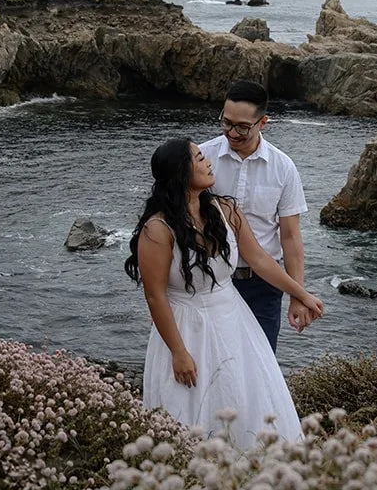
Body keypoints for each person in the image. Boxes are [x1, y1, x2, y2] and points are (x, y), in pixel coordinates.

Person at [125, 138, 324, 448]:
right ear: (181, 172)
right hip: (186, 326)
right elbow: (155, 296)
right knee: (190, 406)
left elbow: (259, 259)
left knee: (245, 394)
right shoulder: (158, 229)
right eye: (199, 158)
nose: (208, 162)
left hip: (233, 318)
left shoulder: (225, 209)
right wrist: (178, 352)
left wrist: (301, 293)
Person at [198, 80, 308, 353]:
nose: (232, 133)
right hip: (209, 278)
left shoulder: (283, 168)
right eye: (226, 123)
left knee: (261, 366)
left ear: (263, 123)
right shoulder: (202, 158)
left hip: (263, 287)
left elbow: (291, 238)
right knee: (211, 362)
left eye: (242, 127)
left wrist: (298, 295)